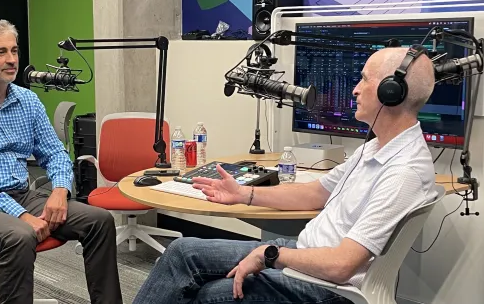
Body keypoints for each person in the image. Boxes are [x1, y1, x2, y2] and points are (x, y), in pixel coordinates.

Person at [134, 46, 437, 303]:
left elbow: (342, 265)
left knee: (209, 293)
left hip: (328, 289)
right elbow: (316, 192)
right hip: (306, 256)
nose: (355, 89)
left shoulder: (403, 171)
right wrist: (245, 194)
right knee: (181, 252)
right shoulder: (376, 148)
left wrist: (270, 254)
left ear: (391, 92)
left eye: (364, 80)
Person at [0, 20, 122, 304]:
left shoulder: (28, 101)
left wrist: (60, 191)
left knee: (99, 220)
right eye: (0, 52)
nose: (11, 60)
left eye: (14, 50)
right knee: (20, 236)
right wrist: (21, 215)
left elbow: (56, 153)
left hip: (20, 195)